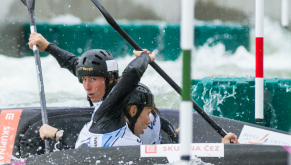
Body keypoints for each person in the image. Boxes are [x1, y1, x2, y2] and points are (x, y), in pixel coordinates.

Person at [74, 50, 239, 148]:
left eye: (93, 79)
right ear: (132, 111)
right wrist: (146, 57)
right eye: (148, 113)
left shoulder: (131, 140)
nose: (149, 121)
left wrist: (221, 148)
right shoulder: (104, 117)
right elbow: (131, 74)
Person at [28, 32, 161, 146]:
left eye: (93, 80)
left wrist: (145, 57)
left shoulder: (111, 106)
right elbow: (74, 64)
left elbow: (131, 73)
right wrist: (47, 46)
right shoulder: (108, 99)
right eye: (83, 79)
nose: (86, 86)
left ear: (110, 79)